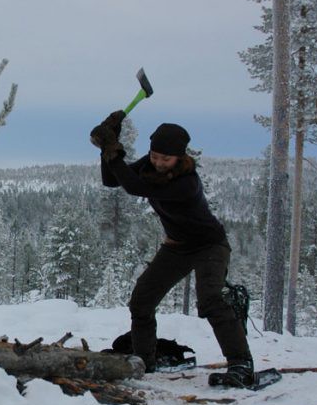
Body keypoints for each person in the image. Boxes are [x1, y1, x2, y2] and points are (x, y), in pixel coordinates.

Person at [90, 111, 254, 387]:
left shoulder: (185, 182)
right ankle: (143, 360)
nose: (158, 162)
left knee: (210, 300)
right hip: (176, 247)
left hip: (209, 245)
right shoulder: (151, 165)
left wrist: (112, 149)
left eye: (165, 159)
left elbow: (134, 187)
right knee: (142, 300)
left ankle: (241, 364)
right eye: (154, 156)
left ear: (180, 157)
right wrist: (109, 147)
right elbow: (113, 180)